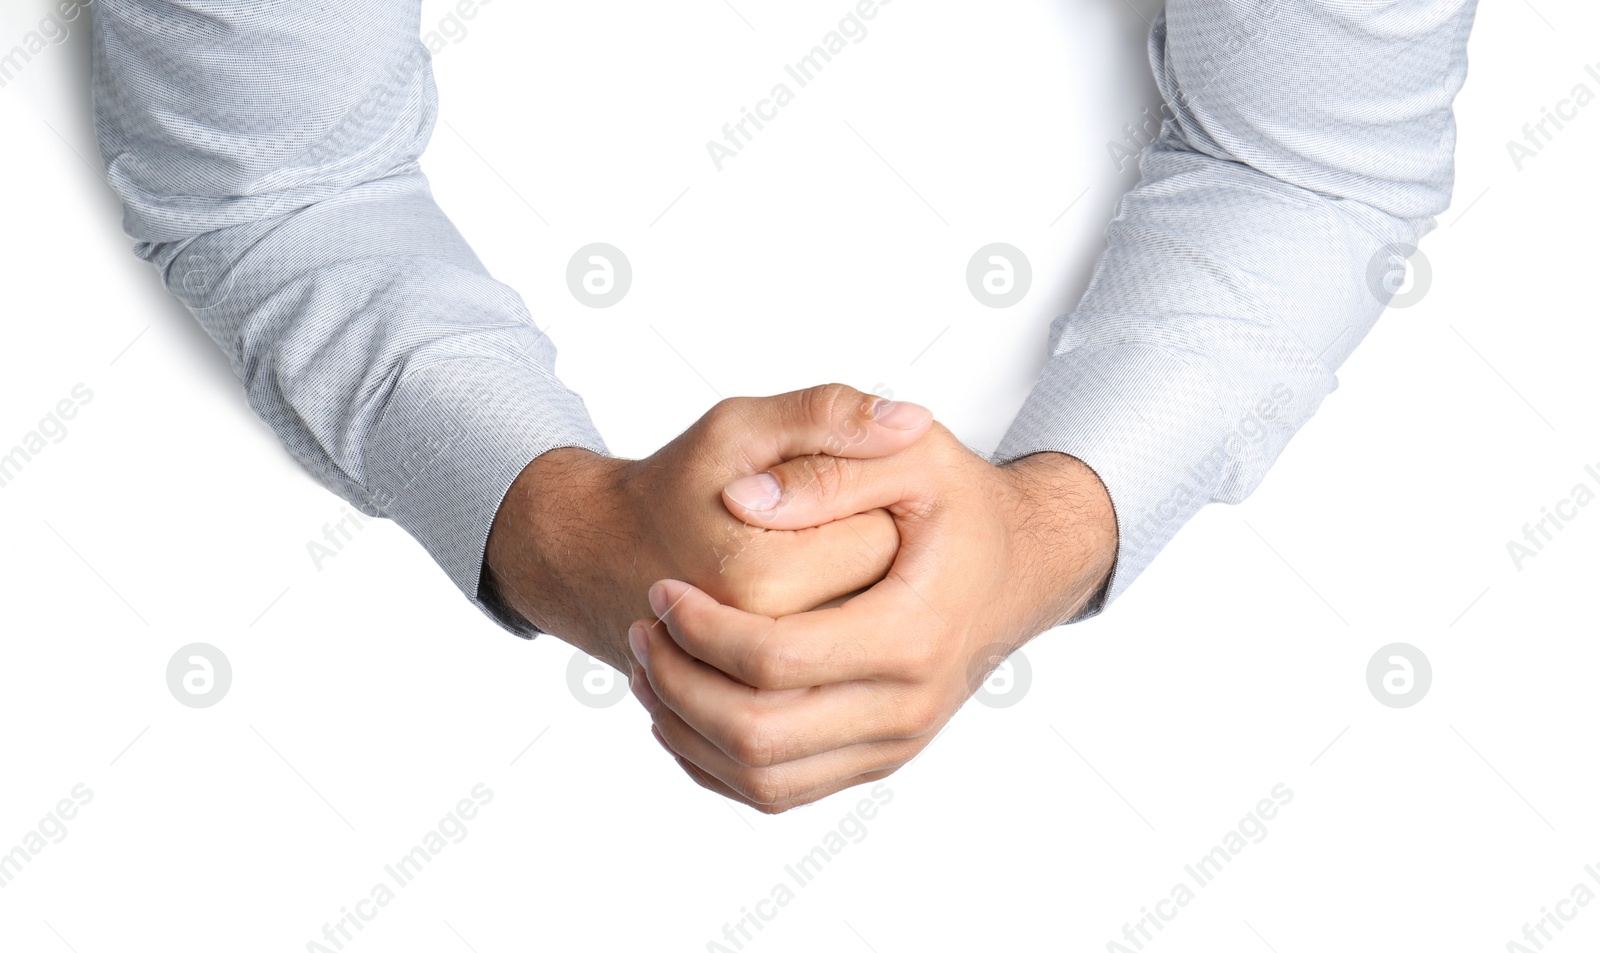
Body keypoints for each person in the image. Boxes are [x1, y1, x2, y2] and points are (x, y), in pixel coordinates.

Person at [91, 0, 1479, 813]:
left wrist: (1040, 538)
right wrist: (565, 526)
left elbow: (1314, 160)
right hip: (312, 661)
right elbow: (266, 177)